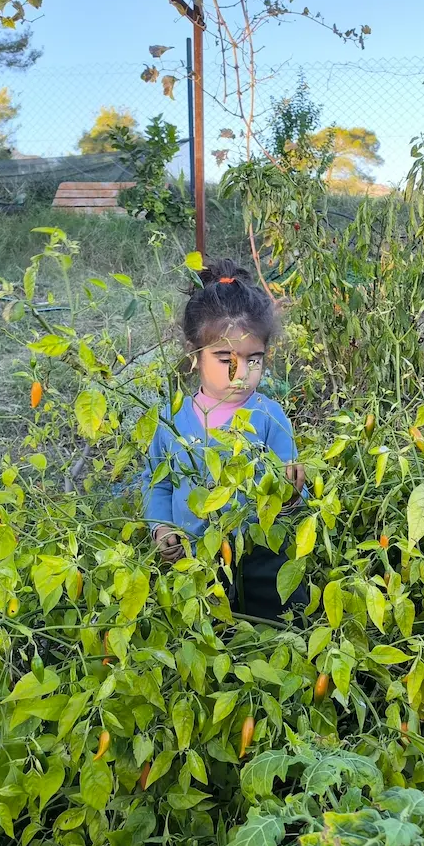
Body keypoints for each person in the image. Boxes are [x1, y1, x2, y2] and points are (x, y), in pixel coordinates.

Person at [141, 260, 305, 621]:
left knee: (278, 627)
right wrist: (162, 527)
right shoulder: (171, 420)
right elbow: (157, 483)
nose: (240, 373)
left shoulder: (268, 416)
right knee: (202, 630)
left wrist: (291, 496)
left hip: (262, 556)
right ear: (193, 355)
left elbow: (292, 483)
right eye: (224, 358)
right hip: (195, 559)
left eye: (253, 360)